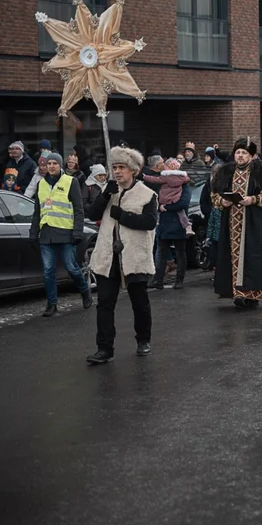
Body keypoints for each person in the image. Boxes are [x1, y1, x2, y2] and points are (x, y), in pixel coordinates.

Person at [84, 147, 158, 363]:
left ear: (133, 170)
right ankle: (104, 347)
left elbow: (150, 222)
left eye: (121, 168)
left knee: (139, 302)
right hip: (109, 257)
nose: (117, 172)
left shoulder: (147, 194)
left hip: (134, 256)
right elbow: (92, 214)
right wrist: (106, 194)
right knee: (105, 304)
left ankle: (143, 339)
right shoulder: (109, 191)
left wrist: (123, 216)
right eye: (114, 167)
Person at [211, 138, 262, 308]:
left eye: (244, 153)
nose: (240, 156)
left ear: (252, 155)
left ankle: (253, 294)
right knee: (232, 257)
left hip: (254, 223)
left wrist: (254, 199)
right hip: (231, 223)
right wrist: (223, 202)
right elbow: (214, 195)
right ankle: (237, 293)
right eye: (238, 152)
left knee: (253, 258)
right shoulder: (226, 172)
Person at [29, 151, 93, 316]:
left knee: (71, 267)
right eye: (49, 164)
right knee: (48, 270)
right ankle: (52, 304)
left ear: (60, 165)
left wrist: (77, 232)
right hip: (47, 233)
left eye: (54, 163)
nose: (51, 166)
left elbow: (79, 210)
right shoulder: (41, 184)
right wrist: (33, 233)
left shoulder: (70, 182)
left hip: (66, 232)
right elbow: (37, 212)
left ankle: (85, 291)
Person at [149, 161, 192, 290]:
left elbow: (183, 204)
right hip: (164, 223)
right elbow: (156, 198)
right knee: (162, 252)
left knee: (180, 253)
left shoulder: (185, 187)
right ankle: (158, 280)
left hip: (178, 223)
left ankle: (179, 280)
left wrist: (165, 207)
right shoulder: (163, 185)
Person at [141, 158, 194, 237]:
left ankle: (157, 223)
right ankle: (187, 226)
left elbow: (154, 180)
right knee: (182, 213)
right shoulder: (182, 178)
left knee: (158, 213)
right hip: (176, 199)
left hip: (165, 199)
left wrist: (145, 177)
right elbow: (189, 180)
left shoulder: (165, 177)